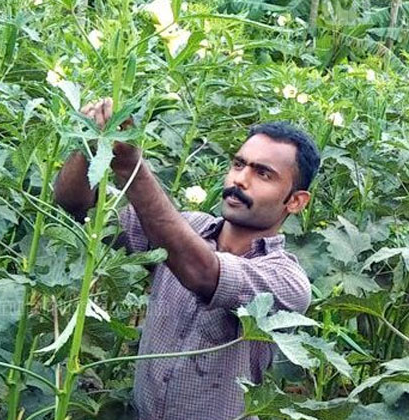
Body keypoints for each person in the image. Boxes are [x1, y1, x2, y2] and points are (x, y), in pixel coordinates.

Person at [53, 97, 321, 420]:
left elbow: (203, 272)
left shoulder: (287, 281)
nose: (240, 179)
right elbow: (80, 208)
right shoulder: (188, 226)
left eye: (263, 174)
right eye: (238, 164)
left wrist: (131, 168)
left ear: (295, 201)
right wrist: (92, 144)